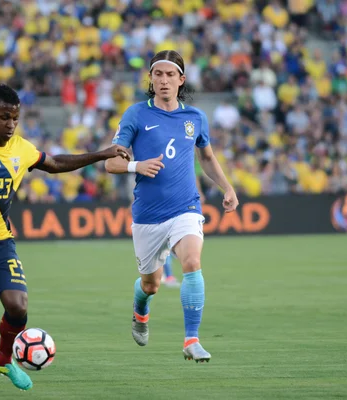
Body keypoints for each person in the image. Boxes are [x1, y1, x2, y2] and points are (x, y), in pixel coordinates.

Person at [0, 84, 128, 396]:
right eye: (4, 117)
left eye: (15, 119)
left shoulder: (21, 148)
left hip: (0, 244)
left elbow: (56, 164)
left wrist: (102, 154)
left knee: (18, 306)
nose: (10, 124)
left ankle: (4, 360)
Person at [105, 50, 239, 362]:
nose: (164, 80)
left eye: (170, 75)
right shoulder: (136, 114)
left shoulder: (195, 118)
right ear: (151, 79)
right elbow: (112, 162)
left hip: (186, 208)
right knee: (151, 285)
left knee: (192, 262)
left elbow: (206, 157)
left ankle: (191, 340)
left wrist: (227, 186)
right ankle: (140, 311)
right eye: (158, 74)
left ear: (181, 80)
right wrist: (136, 166)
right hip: (148, 216)